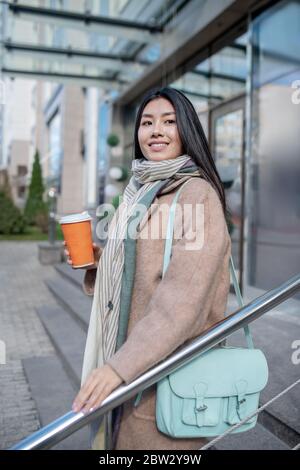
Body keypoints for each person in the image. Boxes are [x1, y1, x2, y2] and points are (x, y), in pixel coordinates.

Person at [64, 86, 231, 450]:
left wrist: (118, 369)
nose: (156, 131)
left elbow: (183, 302)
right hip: (133, 367)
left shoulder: (195, 194)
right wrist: (99, 261)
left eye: (169, 122)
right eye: (147, 122)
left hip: (163, 379)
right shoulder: (140, 190)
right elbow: (139, 268)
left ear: (187, 130)